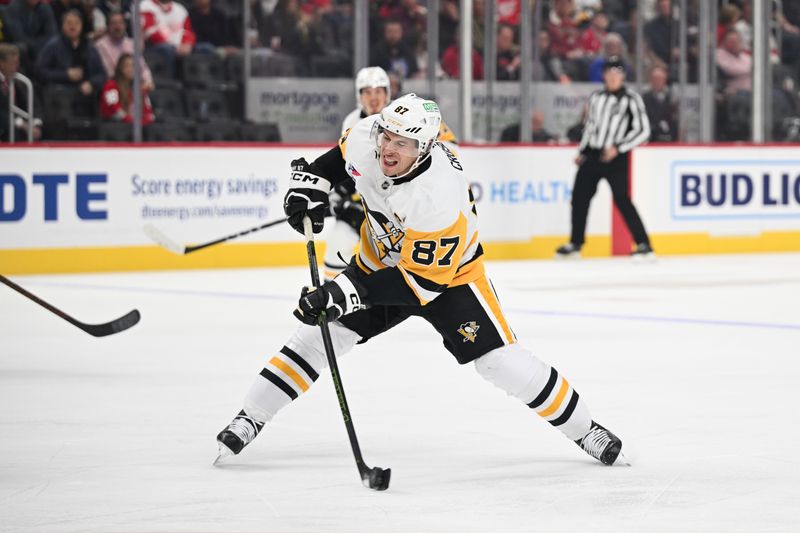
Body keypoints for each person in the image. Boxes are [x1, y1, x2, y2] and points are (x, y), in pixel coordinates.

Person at [215, 93, 627, 469]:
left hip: (450, 280)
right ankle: (250, 416)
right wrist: (311, 190)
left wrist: (343, 292)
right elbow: (334, 163)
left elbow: (419, 287)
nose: (388, 148)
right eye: (387, 136)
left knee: (500, 362)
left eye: (402, 143)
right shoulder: (366, 137)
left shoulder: (437, 195)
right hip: (379, 262)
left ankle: (585, 428)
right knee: (318, 337)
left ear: (425, 147)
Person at [328, 66, 457, 280]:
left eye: (378, 91)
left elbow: (450, 150)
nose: (373, 98)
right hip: (374, 203)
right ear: (359, 96)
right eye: (367, 92)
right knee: (337, 247)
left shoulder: (410, 116)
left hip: (403, 205)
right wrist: (340, 194)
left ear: (388, 93)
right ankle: (333, 303)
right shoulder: (352, 123)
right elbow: (352, 165)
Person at [556, 57, 653, 258]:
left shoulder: (631, 99)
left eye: (617, 72)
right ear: (604, 75)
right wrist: (582, 152)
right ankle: (575, 243)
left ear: (623, 76)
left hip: (616, 157)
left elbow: (643, 130)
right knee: (579, 198)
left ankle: (643, 243)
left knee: (622, 199)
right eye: (609, 72)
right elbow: (590, 127)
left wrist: (619, 147)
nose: (613, 76)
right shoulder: (596, 97)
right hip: (593, 153)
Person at [36, 9, 106, 96]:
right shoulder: (53, 45)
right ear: (63, 26)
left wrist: (91, 83)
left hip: (86, 95)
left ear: (81, 26)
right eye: (69, 23)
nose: (73, 26)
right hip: (60, 94)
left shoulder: (89, 46)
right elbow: (40, 72)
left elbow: (102, 74)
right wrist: (65, 74)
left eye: (77, 23)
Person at [95, 11, 154, 91]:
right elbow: (109, 72)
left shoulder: (132, 44)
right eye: (114, 23)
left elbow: (143, 67)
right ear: (108, 26)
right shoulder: (100, 45)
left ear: (125, 26)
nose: (118, 26)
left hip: (136, 85)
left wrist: (148, 81)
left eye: (120, 23)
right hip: (115, 86)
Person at [0, 43, 43, 142]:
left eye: (18, 62)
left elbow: (34, 103)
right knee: (14, 129)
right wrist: (21, 124)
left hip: (21, 124)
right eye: (13, 63)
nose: (17, 66)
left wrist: (36, 123)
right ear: (1, 63)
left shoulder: (19, 79)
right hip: (7, 126)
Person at [99, 53, 155, 124]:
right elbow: (113, 109)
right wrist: (131, 120)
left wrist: (147, 120)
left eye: (133, 66)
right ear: (120, 68)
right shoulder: (111, 86)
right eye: (127, 66)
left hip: (134, 126)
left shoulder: (139, 87)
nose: (130, 69)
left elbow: (148, 110)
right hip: (115, 126)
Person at [642, 65, 676, 142]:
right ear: (651, 80)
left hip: (668, 138)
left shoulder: (671, 98)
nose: (658, 82)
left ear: (665, 80)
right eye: (655, 79)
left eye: (660, 79)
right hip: (650, 137)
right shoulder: (645, 98)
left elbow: (673, 120)